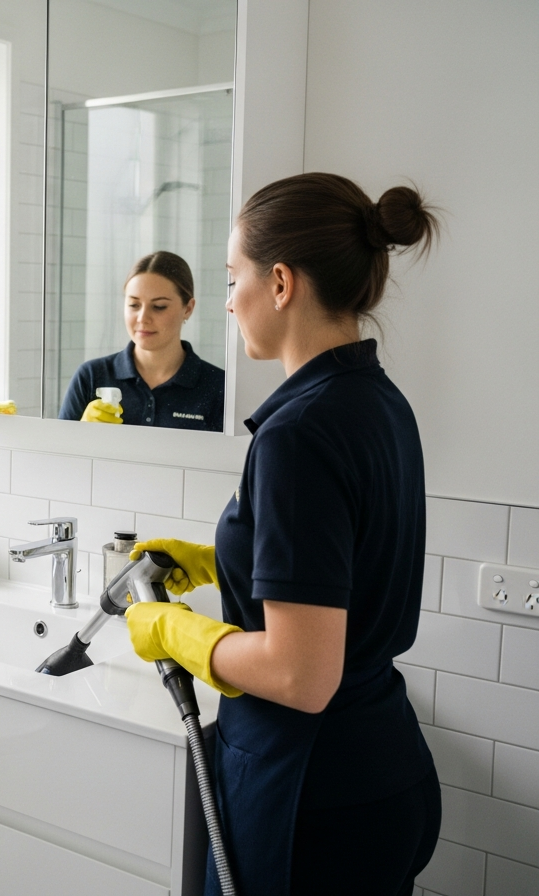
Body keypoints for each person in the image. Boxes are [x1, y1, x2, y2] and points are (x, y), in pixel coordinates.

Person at [125, 174, 441, 895]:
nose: (229, 299)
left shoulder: (299, 432)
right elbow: (348, 563)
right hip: (384, 771)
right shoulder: (375, 401)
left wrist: (173, 631)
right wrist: (216, 562)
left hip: (311, 795)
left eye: (233, 278)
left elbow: (302, 675)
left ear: (280, 283)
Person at [58, 251, 224, 431]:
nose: (142, 318)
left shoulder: (219, 387)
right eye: (134, 305)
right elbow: (58, 456)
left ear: (188, 309)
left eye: (159, 307)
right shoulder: (91, 376)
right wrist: (80, 433)